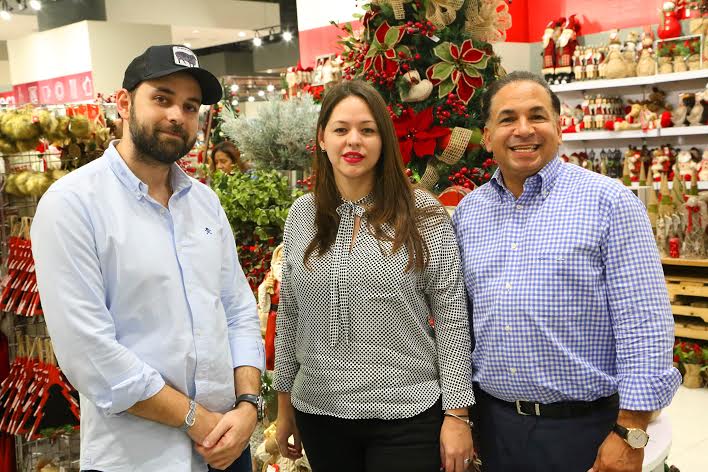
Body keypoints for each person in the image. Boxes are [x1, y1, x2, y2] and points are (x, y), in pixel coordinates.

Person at [31, 45, 265, 472]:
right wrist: (196, 420)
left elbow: (238, 311)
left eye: (190, 106)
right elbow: (89, 353)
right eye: (162, 98)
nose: (177, 115)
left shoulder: (205, 203)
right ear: (124, 104)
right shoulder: (72, 205)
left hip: (228, 449)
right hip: (139, 457)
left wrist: (249, 404)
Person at [451, 71, 681, 472]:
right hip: (494, 427)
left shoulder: (609, 203)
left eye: (537, 116)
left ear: (559, 128)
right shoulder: (469, 213)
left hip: (586, 430)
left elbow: (644, 324)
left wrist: (630, 431)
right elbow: (460, 321)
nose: (524, 130)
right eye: (507, 119)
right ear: (487, 136)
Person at [273, 80, 476, 472]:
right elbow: (290, 316)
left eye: (367, 130)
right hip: (319, 414)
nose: (354, 141)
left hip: (407, 415)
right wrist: (284, 406)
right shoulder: (302, 215)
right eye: (341, 129)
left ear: (384, 140)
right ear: (322, 138)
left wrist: (457, 415)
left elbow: (451, 316)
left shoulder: (422, 213)